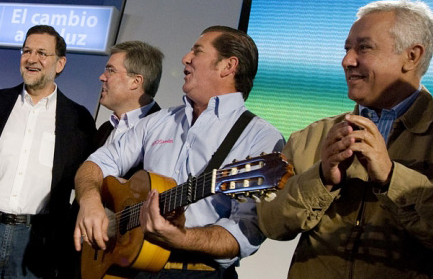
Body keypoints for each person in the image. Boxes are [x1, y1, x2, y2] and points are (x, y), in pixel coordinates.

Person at [257, 0, 433, 278]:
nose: (347, 60)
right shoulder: (313, 136)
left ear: (412, 56)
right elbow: (269, 223)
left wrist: (392, 177)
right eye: (347, 49)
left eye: (364, 47)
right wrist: (321, 179)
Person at [75, 25, 285, 278]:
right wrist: (89, 202)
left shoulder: (261, 136)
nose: (185, 58)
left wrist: (181, 238)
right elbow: (97, 163)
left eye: (197, 51)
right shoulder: (159, 121)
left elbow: (246, 231)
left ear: (228, 66)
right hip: (132, 267)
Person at [0, 25, 96, 278]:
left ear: (60, 63)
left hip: (38, 241)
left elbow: (85, 179)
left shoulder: (78, 119)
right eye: (27, 51)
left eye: (42, 53)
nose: (32, 59)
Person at [93, 40, 164, 149]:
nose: (102, 77)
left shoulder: (162, 131)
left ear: (136, 81)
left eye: (111, 70)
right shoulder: (104, 130)